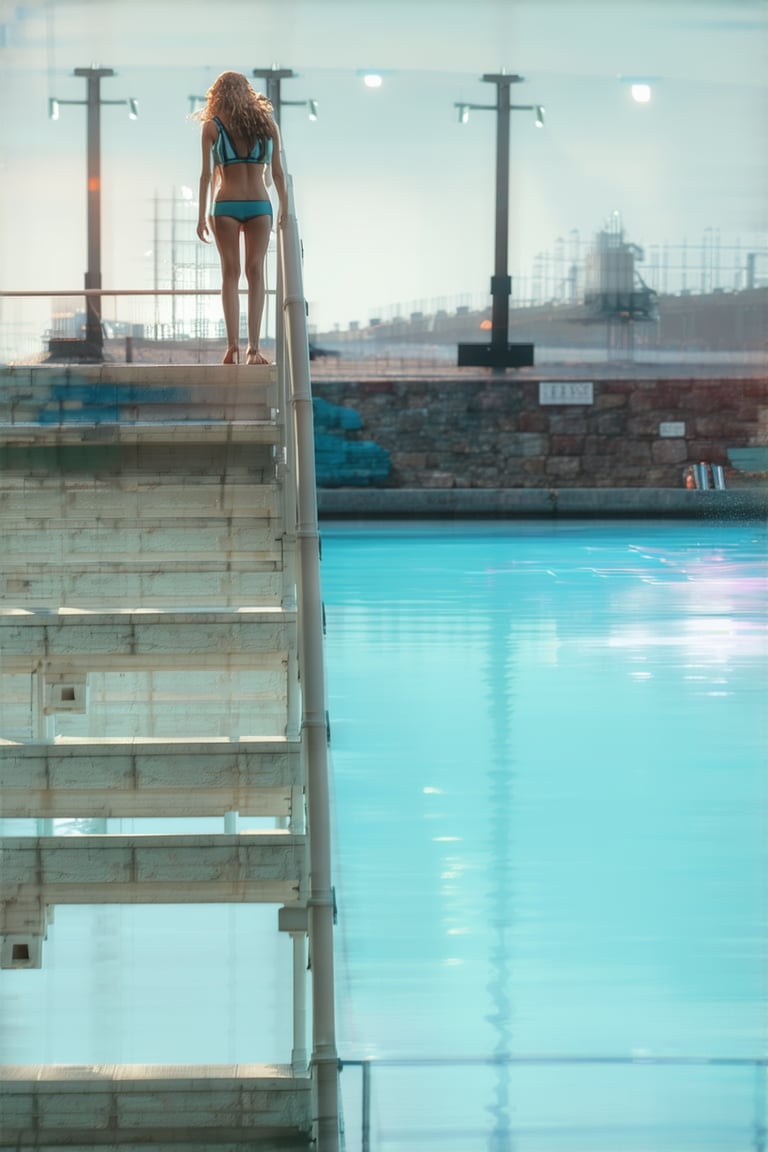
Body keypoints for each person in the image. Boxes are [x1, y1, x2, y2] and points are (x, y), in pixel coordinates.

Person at [194, 71, 287, 364]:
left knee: (230, 274)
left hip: (226, 205)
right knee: (256, 273)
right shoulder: (267, 125)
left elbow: (206, 176)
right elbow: (277, 173)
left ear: (217, 95)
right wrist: (284, 208)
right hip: (260, 205)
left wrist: (201, 215)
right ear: (248, 93)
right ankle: (254, 349)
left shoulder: (213, 127)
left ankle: (232, 346)